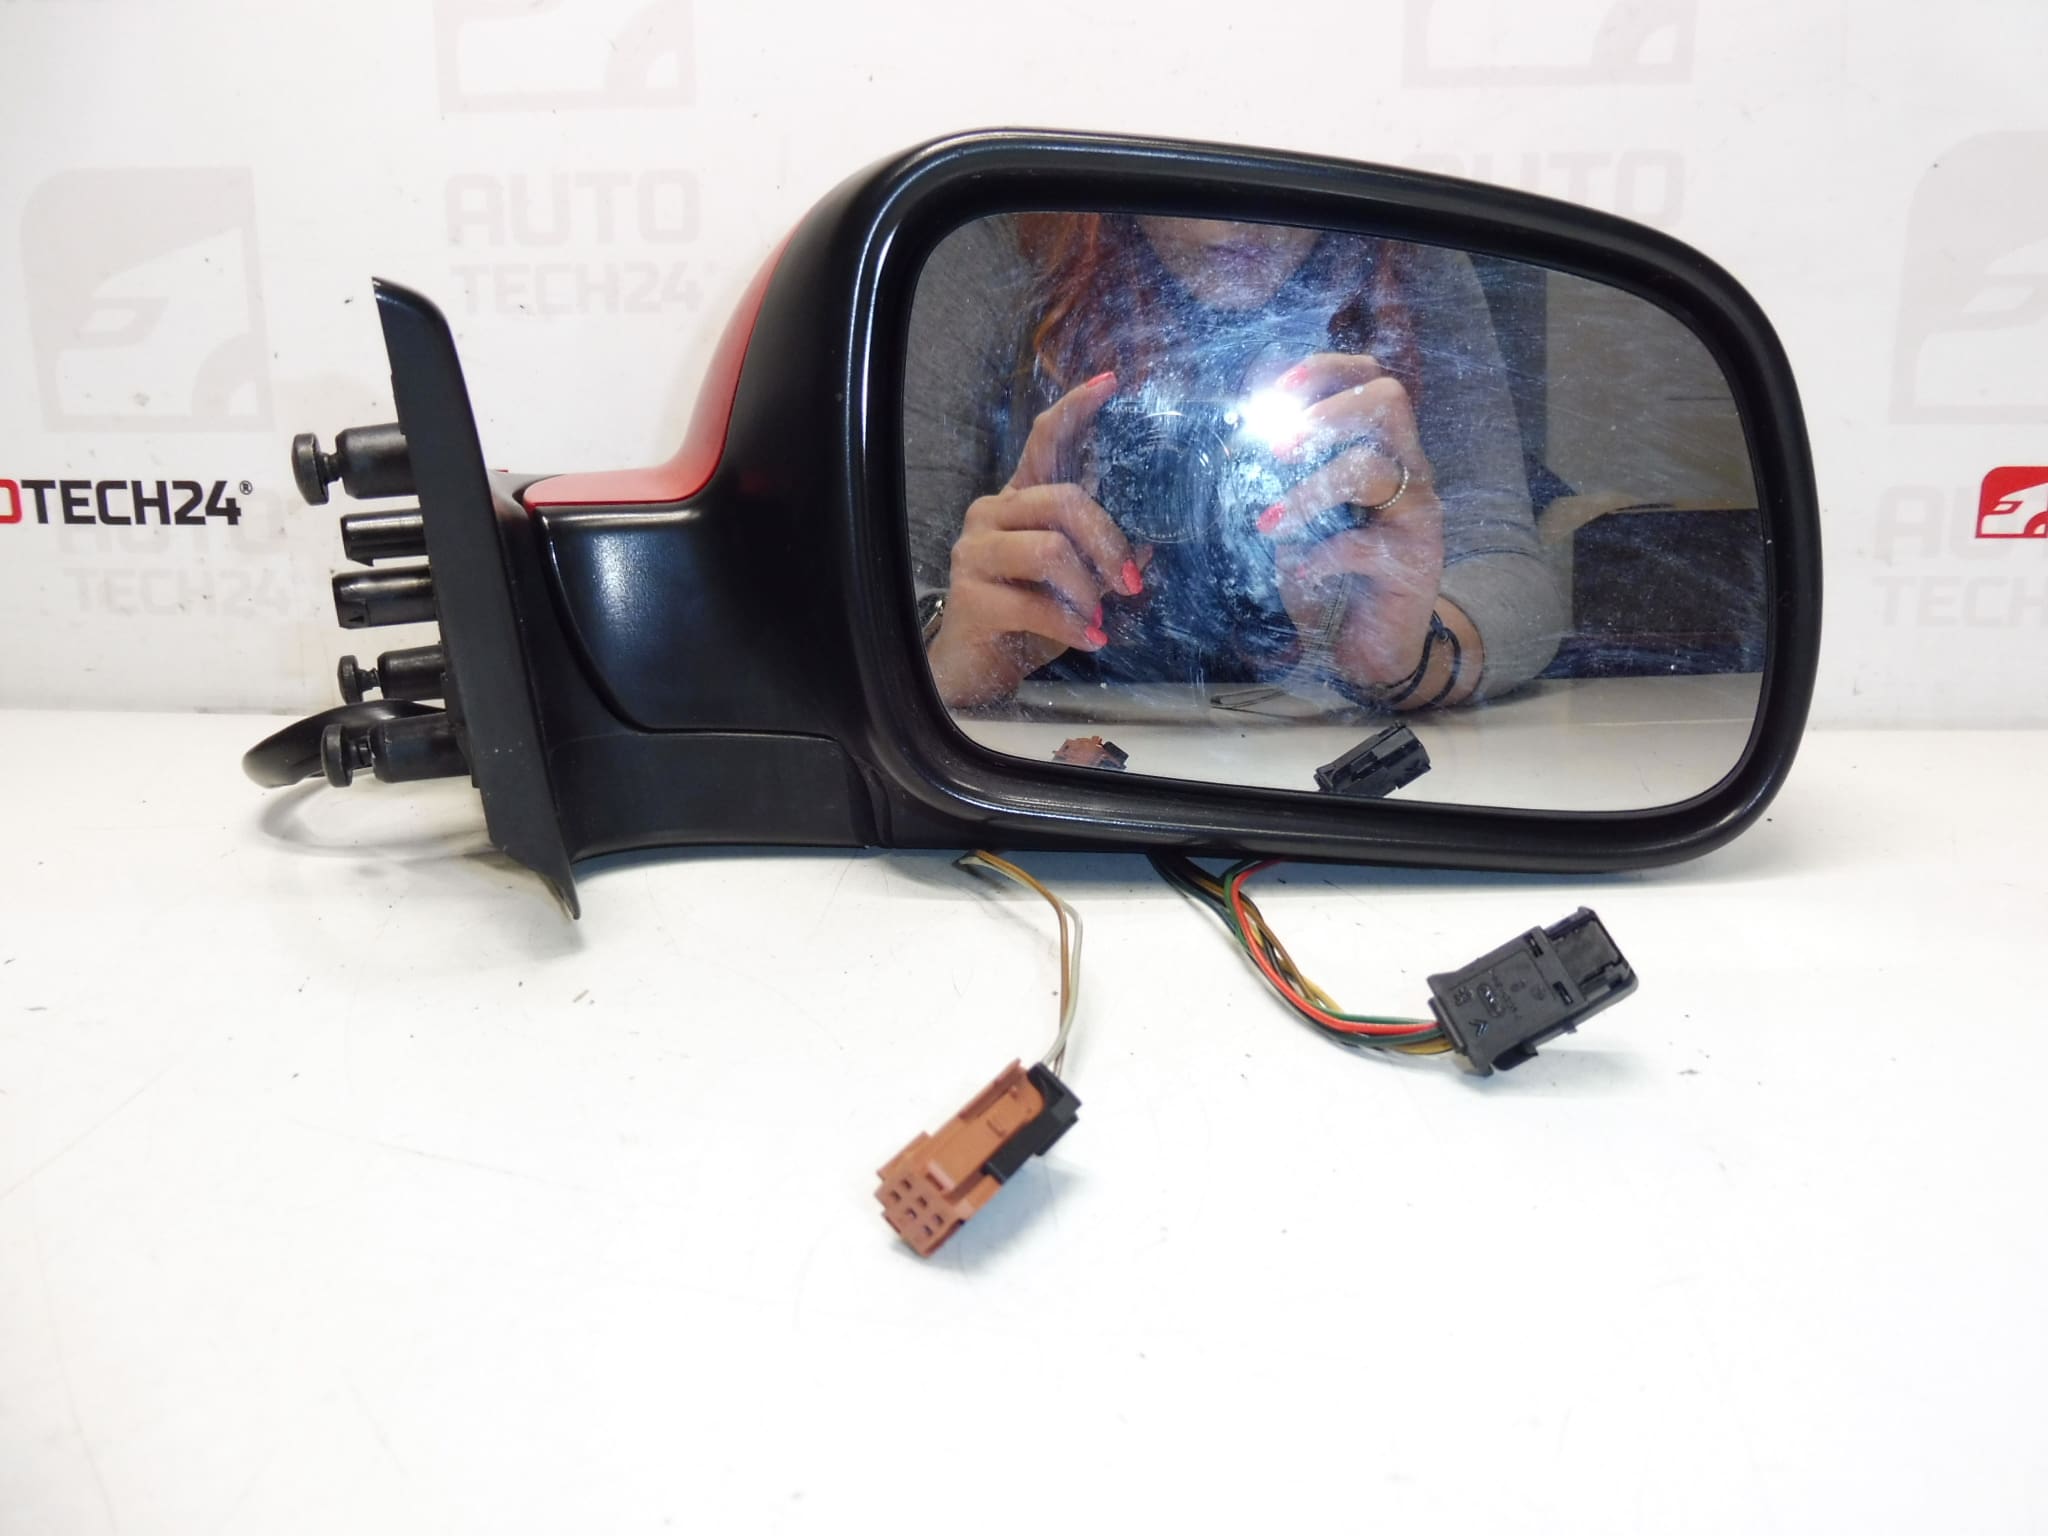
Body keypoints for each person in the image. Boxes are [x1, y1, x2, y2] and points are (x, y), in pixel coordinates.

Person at [903, 212, 1567, 711]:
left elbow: (1506, 563)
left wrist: (1409, 655)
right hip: (1035, 756)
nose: (1232, 223)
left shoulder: (1409, 247)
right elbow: (883, 571)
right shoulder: (1001, 234)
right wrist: (953, 648)